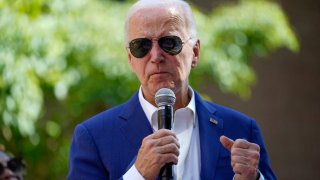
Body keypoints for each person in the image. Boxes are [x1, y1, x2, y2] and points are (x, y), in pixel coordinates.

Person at [68, 0, 276, 179]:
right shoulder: (94, 136)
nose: (156, 56)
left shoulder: (241, 129)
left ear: (194, 52)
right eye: (141, 46)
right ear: (130, 59)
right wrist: (138, 175)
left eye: (169, 42)